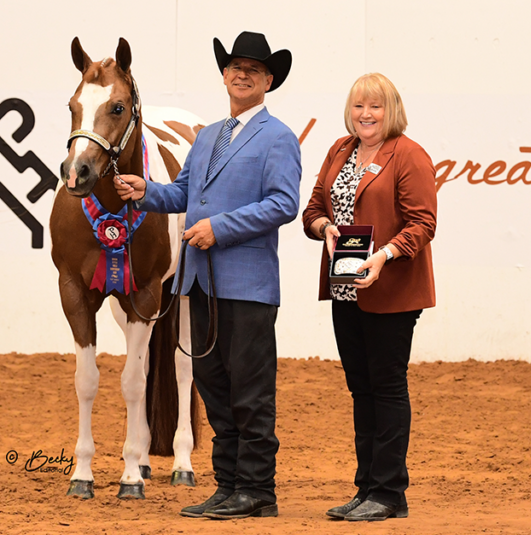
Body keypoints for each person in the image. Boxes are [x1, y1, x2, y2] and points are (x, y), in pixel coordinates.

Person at [115, 31, 301, 520]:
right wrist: (145, 191)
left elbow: (283, 204)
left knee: (251, 390)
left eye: (253, 69)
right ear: (224, 75)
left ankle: (258, 488)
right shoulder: (207, 136)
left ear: (268, 81)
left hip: (247, 284)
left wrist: (220, 228)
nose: (242, 74)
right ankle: (229, 485)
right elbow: (183, 194)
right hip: (198, 281)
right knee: (215, 387)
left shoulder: (278, 137)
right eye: (235, 66)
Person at [301, 72, 437, 521]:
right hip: (346, 287)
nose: (366, 114)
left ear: (391, 110)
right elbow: (314, 210)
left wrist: (384, 256)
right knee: (361, 388)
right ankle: (366, 488)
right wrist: (324, 229)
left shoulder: (409, 155)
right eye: (359, 106)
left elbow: (422, 224)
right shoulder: (340, 151)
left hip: (391, 288)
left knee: (387, 386)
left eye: (375, 106)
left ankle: (389, 492)